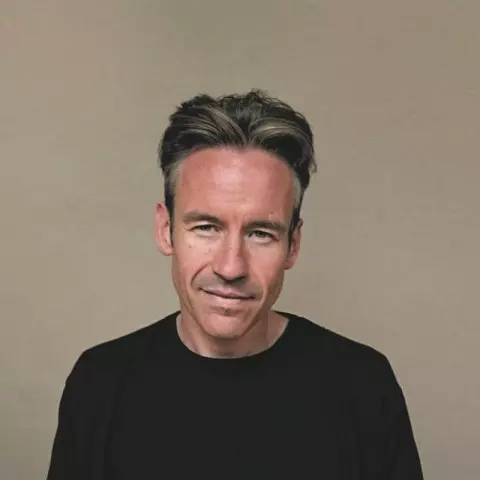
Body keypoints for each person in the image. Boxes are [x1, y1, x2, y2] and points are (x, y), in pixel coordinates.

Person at [47, 90, 423, 479]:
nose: (231, 267)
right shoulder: (99, 383)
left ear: (293, 244)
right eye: (206, 227)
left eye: (261, 233)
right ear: (165, 229)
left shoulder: (362, 386)